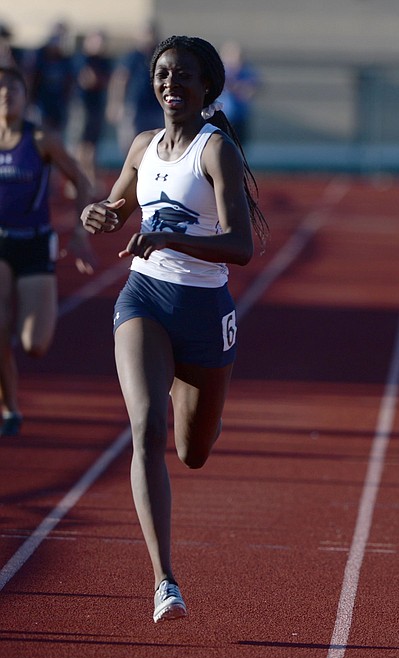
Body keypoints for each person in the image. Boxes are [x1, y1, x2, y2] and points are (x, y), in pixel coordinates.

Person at [80, 35, 268, 623]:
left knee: (193, 451)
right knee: (146, 427)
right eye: (163, 74)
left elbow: (240, 245)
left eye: (183, 76)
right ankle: (165, 580)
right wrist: (104, 214)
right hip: (144, 297)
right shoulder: (142, 146)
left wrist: (168, 235)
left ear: (207, 87)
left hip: (204, 312)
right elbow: (117, 207)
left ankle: (204, 408)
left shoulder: (216, 152)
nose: (170, 85)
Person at [0, 65, 96, 437]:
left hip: (35, 243)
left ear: (25, 97)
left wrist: (80, 235)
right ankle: (10, 408)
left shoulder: (41, 138)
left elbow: (82, 183)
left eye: (13, 89)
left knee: (34, 345)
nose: (6, 94)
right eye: (1, 89)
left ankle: (40, 306)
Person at [106, 22, 163, 156]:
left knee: (156, 142)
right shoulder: (132, 57)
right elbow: (120, 80)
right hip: (134, 106)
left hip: (155, 106)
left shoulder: (159, 55)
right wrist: (116, 103)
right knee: (131, 143)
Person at [74, 30, 113, 195]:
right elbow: (87, 80)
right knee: (82, 146)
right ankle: (78, 181)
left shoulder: (104, 61)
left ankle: (90, 181)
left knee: (93, 146)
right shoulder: (82, 59)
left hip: (97, 106)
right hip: (83, 106)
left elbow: (105, 81)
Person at [28, 22, 74, 136]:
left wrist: (66, 101)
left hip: (58, 105)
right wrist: (30, 101)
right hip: (41, 103)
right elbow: (31, 78)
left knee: (56, 137)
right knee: (40, 136)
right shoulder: (39, 55)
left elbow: (69, 81)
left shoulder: (65, 58)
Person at [217, 41, 260, 146]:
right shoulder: (220, 72)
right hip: (223, 117)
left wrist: (242, 88)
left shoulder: (246, 72)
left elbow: (253, 89)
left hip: (240, 117)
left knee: (240, 147)